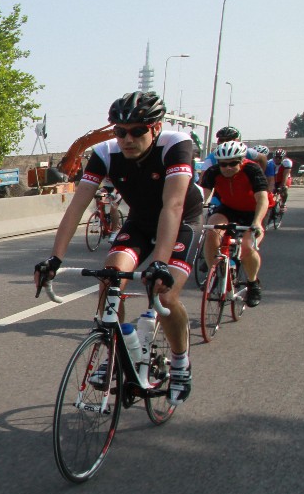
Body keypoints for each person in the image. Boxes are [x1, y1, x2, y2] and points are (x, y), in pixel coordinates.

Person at [35, 91, 203, 405]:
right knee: (110, 276)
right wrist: (54, 258)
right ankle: (116, 351)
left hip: (181, 220)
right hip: (140, 222)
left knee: (165, 294)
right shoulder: (105, 152)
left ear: (156, 128)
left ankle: (181, 363)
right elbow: (76, 207)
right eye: (120, 131)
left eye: (137, 131)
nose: (127, 139)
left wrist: (160, 262)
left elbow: (173, 205)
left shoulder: (176, 144)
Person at [198, 141, 269, 307]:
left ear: (242, 161)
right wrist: (194, 218)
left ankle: (253, 283)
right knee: (211, 232)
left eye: (233, 163)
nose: (228, 168)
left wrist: (257, 222)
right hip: (229, 208)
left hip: (253, 211)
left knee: (247, 247)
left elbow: (262, 199)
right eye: (223, 164)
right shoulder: (213, 172)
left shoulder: (252, 170)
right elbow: (202, 198)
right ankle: (214, 274)